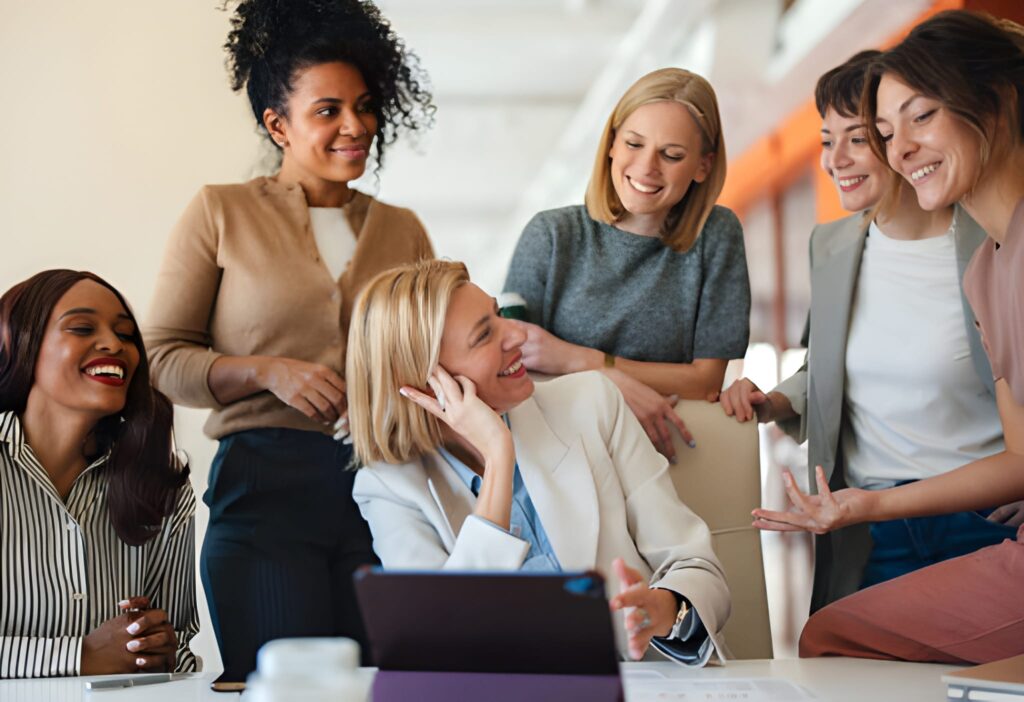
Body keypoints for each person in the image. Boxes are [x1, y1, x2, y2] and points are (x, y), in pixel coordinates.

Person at [145, 0, 435, 680]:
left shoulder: (405, 231)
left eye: (363, 107)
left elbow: (432, 356)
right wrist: (267, 372)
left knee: (389, 687)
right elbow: (161, 357)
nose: (355, 126)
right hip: (265, 486)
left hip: (388, 488)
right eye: (328, 110)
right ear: (278, 123)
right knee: (289, 691)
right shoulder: (222, 212)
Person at [753, 10, 1024, 664]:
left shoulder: (979, 251)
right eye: (885, 129)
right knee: (834, 638)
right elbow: (830, 359)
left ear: (996, 104)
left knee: (831, 640)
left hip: (977, 521)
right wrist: (862, 502)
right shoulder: (991, 265)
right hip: (885, 516)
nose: (896, 148)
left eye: (921, 116)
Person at [346, 260, 731, 665]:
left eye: (497, 315)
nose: (517, 333)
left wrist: (667, 609)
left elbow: (697, 565)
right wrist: (498, 456)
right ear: (427, 385)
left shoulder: (591, 403)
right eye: (484, 335)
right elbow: (442, 642)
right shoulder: (388, 487)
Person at [503, 68, 750, 462]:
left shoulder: (716, 235)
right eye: (634, 143)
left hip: (668, 458)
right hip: (562, 455)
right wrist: (610, 382)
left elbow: (705, 382)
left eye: (672, 155)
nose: (648, 166)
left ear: (703, 166)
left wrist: (580, 361)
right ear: (612, 143)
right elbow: (515, 373)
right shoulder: (551, 235)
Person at [0, 270, 197, 678]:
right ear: (21, 344)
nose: (114, 345)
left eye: (126, 334)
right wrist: (81, 657)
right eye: (82, 327)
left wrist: (159, 649)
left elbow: (176, 652)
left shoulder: (162, 480)